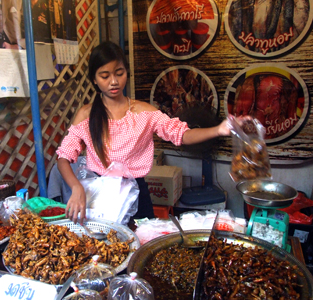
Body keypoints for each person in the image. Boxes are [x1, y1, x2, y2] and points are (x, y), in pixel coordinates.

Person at [56, 41, 249, 225]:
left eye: (119, 73)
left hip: (137, 193)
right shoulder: (86, 115)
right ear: (94, 80)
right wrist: (76, 187)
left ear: (126, 73)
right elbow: (63, 158)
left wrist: (218, 130)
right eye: (105, 76)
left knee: (141, 242)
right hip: (99, 195)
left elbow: (181, 134)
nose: (113, 82)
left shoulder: (144, 112)